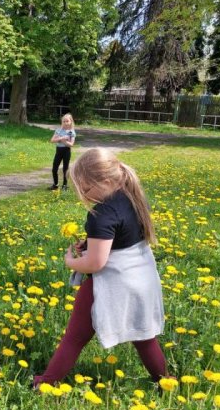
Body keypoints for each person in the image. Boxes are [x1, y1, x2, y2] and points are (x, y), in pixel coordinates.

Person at [34, 148, 171, 390]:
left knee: (75, 337)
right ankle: (167, 383)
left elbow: (96, 263)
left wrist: (70, 262)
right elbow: (123, 236)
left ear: (106, 181)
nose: (85, 197)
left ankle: (46, 384)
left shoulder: (102, 213)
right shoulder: (132, 197)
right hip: (141, 279)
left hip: (113, 283)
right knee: (144, 336)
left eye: (86, 189)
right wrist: (90, 243)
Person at [48, 113, 77, 191]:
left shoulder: (71, 132)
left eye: (67, 121)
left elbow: (71, 144)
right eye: (64, 121)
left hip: (66, 151)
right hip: (58, 150)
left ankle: (64, 185)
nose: (65, 123)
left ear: (71, 122)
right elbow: (52, 140)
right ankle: (55, 185)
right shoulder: (58, 130)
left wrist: (64, 141)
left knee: (65, 169)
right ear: (62, 122)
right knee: (54, 168)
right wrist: (61, 138)